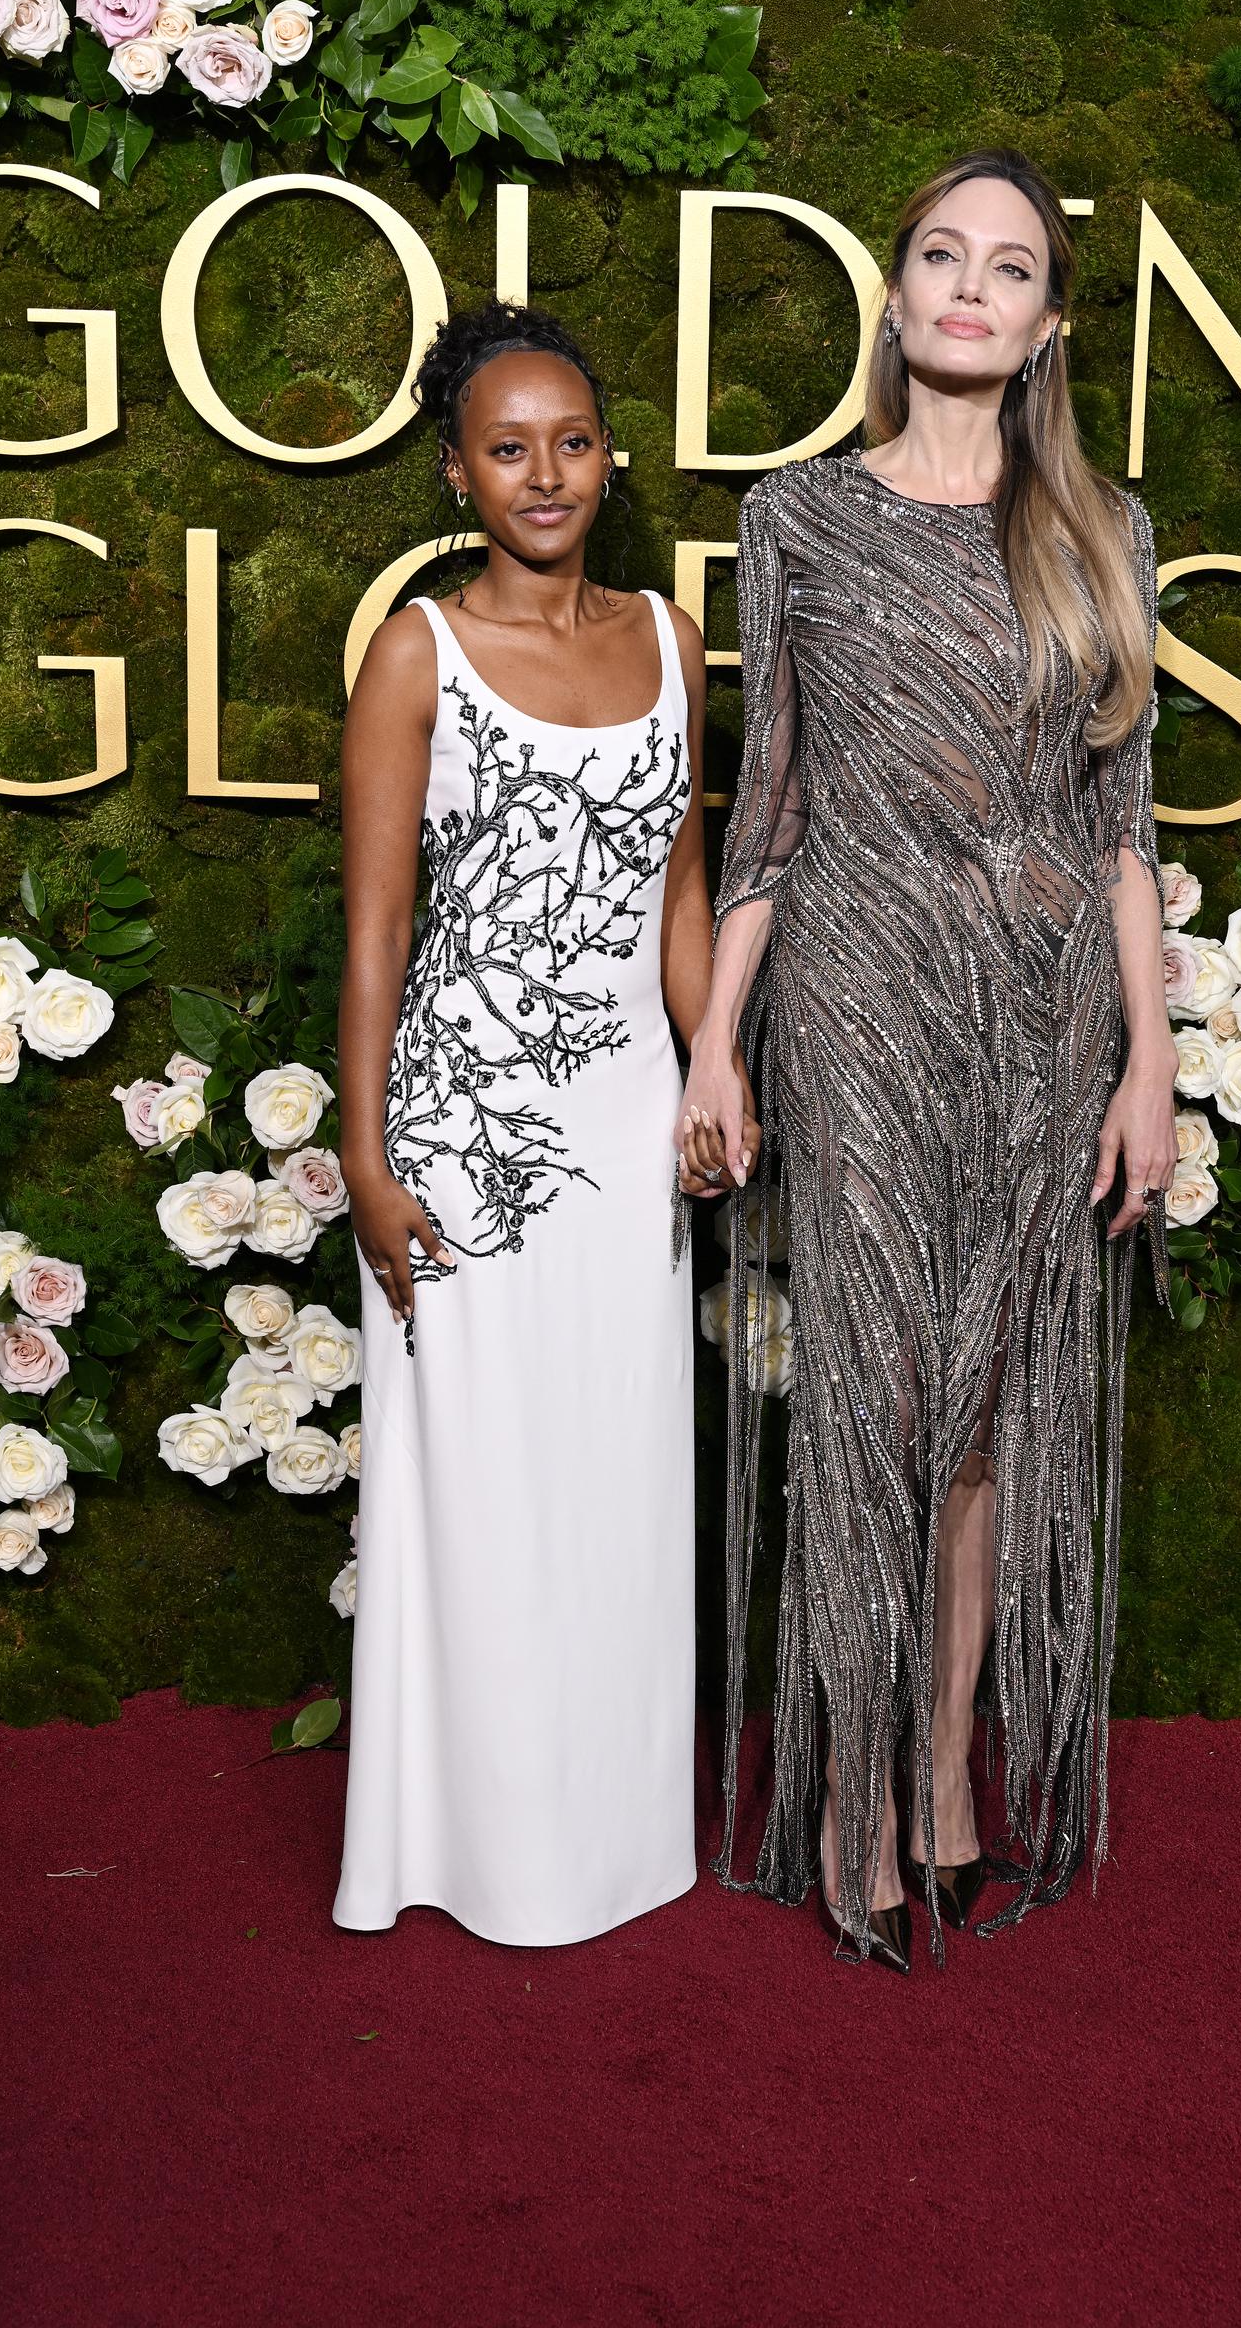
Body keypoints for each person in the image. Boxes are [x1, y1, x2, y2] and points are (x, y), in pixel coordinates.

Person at [678, 149, 1176, 1973]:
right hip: (857, 998)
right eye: (943, 257)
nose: (973, 287)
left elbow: (1122, 823)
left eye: (1013, 268)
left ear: (1048, 326)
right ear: (897, 300)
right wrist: (717, 1046)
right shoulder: (798, 517)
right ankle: (840, 1793)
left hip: (1046, 1026)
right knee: (873, 1412)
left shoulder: (1102, 535)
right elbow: (775, 810)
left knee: (977, 1431)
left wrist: (1152, 1066)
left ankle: (948, 1790)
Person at [333, 301, 752, 1947]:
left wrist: (716, 1069)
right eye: (508, 449)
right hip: (462, 1131)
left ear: (608, 455)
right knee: (480, 1488)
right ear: (457, 473)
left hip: (626, 1127)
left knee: (618, 1477)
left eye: (571, 441)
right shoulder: (415, 653)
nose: (546, 473)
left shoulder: (666, 634)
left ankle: (615, 1837)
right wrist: (366, 1158)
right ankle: (477, 1850)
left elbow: (686, 892)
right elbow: (376, 928)